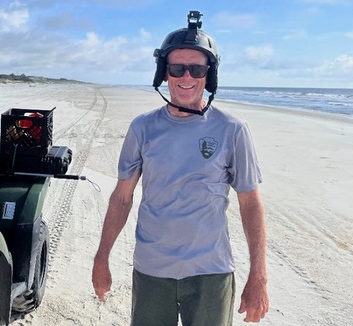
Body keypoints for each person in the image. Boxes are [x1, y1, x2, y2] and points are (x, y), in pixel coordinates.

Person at [92, 11, 269, 325]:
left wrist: (259, 277)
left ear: (208, 75)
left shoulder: (233, 130)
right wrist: (102, 257)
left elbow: (250, 203)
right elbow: (122, 198)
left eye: (197, 68)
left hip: (211, 275)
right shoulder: (142, 128)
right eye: (177, 68)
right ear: (165, 72)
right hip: (151, 272)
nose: (187, 77)